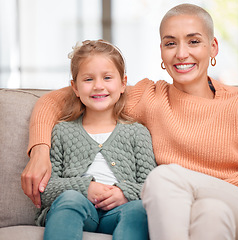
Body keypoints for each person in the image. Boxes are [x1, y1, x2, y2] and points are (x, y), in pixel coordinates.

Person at [21, 4, 238, 240]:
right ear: (161, 52)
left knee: (164, 180)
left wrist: (192, 187)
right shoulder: (148, 97)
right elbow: (54, 101)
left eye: (194, 41)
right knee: (209, 212)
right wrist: (40, 151)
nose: (182, 53)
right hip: (191, 210)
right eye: (171, 43)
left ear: (213, 47)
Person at [34, 39, 156, 240]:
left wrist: (123, 192)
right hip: (77, 208)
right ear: (75, 87)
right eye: (88, 79)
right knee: (70, 199)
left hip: (119, 212)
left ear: (123, 83)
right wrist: (85, 188)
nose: (98, 86)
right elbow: (46, 190)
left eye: (107, 77)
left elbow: (151, 186)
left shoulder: (137, 133)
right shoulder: (62, 131)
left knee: (137, 210)